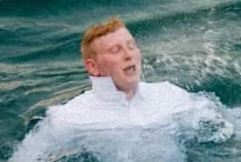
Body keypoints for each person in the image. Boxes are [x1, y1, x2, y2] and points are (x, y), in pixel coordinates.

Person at [42, 17, 194, 130]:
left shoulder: (170, 95)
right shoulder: (70, 117)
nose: (129, 55)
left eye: (131, 46)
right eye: (115, 50)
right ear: (93, 67)